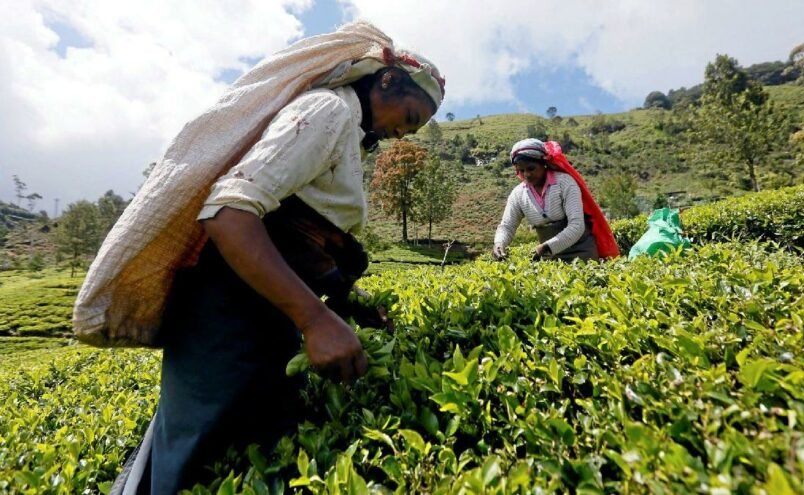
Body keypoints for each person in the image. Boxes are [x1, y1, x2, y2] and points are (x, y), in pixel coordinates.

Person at [96, 22, 445, 494]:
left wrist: (346, 297)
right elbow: (229, 214)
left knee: (231, 446)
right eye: (407, 116)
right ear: (387, 80)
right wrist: (316, 320)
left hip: (261, 311)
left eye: (411, 130)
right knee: (193, 451)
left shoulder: (345, 128)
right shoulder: (329, 111)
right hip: (228, 311)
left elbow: (298, 230)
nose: (401, 133)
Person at [492, 138, 619, 262]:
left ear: (544, 164)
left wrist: (547, 247)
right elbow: (507, 226)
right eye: (521, 170)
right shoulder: (518, 194)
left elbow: (577, 225)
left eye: (531, 168)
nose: (526, 175)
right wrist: (499, 243)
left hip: (582, 253)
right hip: (550, 257)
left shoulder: (564, 183)